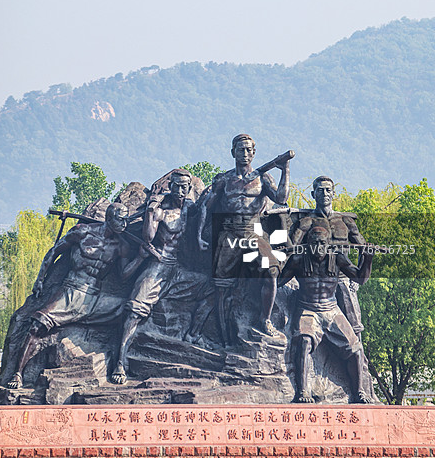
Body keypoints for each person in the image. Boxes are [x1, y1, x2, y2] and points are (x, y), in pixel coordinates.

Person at [7, 202, 142, 389]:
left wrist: (141, 258)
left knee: (131, 310)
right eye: (121, 219)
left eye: (127, 220)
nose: (125, 224)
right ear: (109, 218)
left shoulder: (121, 245)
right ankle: (17, 374)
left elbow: (123, 276)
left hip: (95, 297)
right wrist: (40, 280)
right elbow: (54, 251)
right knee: (36, 326)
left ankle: (119, 365)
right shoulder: (83, 232)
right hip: (70, 290)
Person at [111, 169, 213, 384]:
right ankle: (119, 360)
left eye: (186, 186)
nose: (181, 190)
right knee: (134, 309)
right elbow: (148, 237)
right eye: (177, 186)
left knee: (212, 287)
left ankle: (193, 334)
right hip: (157, 266)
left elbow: (204, 213)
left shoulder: (189, 208)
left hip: (178, 269)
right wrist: (150, 210)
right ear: (170, 186)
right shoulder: (160, 210)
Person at [197, 134, 292, 345]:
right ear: (233, 152)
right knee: (221, 287)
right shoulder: (223, 179)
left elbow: (282, 199)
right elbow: (207, 206)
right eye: (241, 149)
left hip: (253, 231)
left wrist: (285, 169)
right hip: (228, 231)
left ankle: (264, 321)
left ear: (254, 153)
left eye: (249, 150)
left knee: (271, 271)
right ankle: (222, 337)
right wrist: (199, 235)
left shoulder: (263, 178)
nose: (245, 153)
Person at [277, 224, 374, 404]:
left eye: (322, 242)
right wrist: (271, 265)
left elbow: (360, 278)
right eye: (314, 242)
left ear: (328, 242)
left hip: (332, 310)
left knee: (357, 350)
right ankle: (302, 392)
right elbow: (279, 281)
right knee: (304, 341)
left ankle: (359, 392)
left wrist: (367, 258)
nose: (319, 246)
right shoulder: (298, 260)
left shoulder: (337, 258)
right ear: (308, 243)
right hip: (307, 309)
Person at [290, 176, 366, 337]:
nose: (324, 193)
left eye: (328, 190)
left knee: (354, 326)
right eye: (320, 190)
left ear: (333, 194)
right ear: (313, 194)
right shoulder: (307, 222)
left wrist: (357, 277)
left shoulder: (346, 221)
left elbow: (363, 248)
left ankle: (359, 361)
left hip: (343, 277)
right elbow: (292, 249)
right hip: (315, 280)